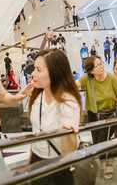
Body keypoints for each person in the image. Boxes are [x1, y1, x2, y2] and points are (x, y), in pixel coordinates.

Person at [28, 49, 81, 185]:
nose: (33, 73)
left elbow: (69, 152)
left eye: (39, 70)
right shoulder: (37, 96)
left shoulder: (68, 102)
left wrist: (67, 133)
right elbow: (36, 133)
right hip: (36, 159)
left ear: (54, 73)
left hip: (57, 165)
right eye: (34, 68)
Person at [77, 56, 117, 179]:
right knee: (97, 140)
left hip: (111, 115)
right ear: (91, 71)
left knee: (101, 141)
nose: (101, 66)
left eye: (101, 63)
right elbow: (71, 86)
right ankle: (103, 160)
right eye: (97, 65)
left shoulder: (111, 78)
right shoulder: (87, 79)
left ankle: (107, 162)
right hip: (94, 115)